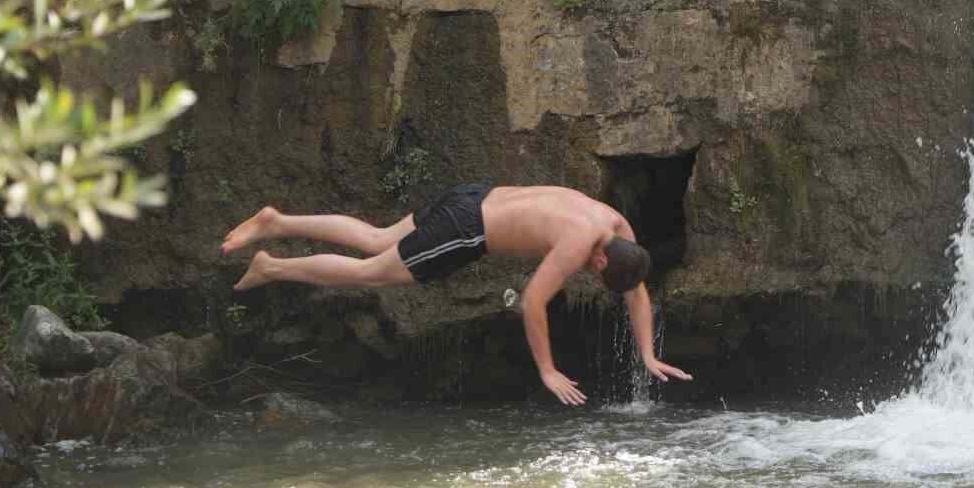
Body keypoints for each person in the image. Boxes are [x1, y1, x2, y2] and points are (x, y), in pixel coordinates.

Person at [221, 183, 692, 406]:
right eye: (595, 269)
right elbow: (532, 302)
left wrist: (647, 354)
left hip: (472, 196)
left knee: (377, 238)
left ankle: (276, 222)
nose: (590, 269)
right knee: (370, 273)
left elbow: (636, 293)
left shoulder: (614, 225)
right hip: (465, 229)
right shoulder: (577, 245)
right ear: (602, 260)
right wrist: (547, 370)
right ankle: (273, 266)